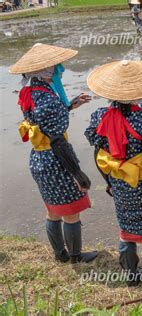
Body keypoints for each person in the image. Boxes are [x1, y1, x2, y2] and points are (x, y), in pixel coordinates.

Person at [85, 60, 142, 290]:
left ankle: (130, 277)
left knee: (127, 230)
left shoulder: (99, 117)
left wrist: (108, 181)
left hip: (119, 183)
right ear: (139, 95)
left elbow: (99, 152)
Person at [9, 43, 97, 264]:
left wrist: (70, 105)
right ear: (45, 70)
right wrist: (77, 173)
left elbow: (43, 121)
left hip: (39, 159)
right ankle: (75, 257)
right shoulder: (48, 99)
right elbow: (58, 141)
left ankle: (60, 254)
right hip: (56, 160)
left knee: (52, 209)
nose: (60, 69)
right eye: (56, 66)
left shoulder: (31, 91)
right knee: (70, 212)